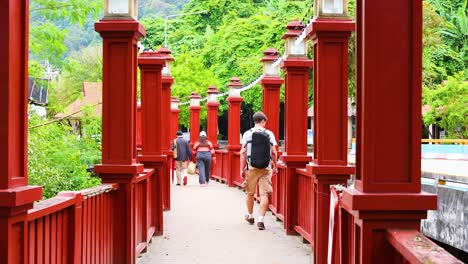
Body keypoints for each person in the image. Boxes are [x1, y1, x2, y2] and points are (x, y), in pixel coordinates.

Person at [240, 112, 278, 230]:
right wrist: (275, 166)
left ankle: (250, 216)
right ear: (263, 121)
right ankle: (261, 220)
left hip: (251, 167)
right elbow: (274, 152)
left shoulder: (247, 134)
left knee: (250, 193)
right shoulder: (269, 134)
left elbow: (243, 153)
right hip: (265, 168)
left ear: (254, 121)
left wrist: (242, 169)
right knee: (264, 194)